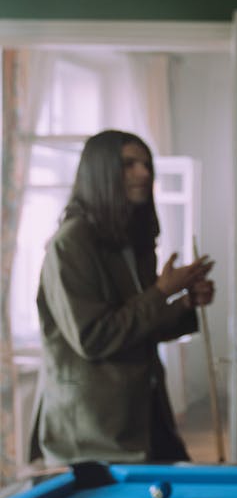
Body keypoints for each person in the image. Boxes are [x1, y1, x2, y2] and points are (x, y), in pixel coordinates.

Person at [32, 129, 214, 466]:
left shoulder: (134, 239)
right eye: (129, 164)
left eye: (146, 164)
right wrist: (161, 293)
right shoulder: (70, 244)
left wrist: (184, 303)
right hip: (91, 435)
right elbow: (94, 337)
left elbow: (139, 327)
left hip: (143, 418)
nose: (144, 173)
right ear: (99, 172)